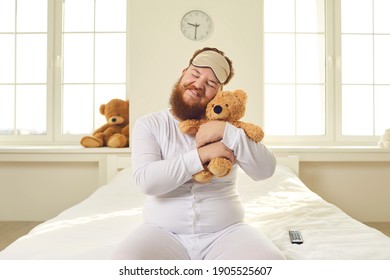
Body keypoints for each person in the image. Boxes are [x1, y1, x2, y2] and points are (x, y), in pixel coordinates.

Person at [112, 47, 285, 260]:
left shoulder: (229, 127)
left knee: (272, 264)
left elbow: (265, 170)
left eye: (211, 83)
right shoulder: (149, 124)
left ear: (219, 93)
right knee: (121, 265)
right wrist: (202, 155)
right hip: (161, 232)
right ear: (184, 72)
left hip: (226, 232)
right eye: (195, 74)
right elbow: (147, 182)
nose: (199, 84)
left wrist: (227, 132)